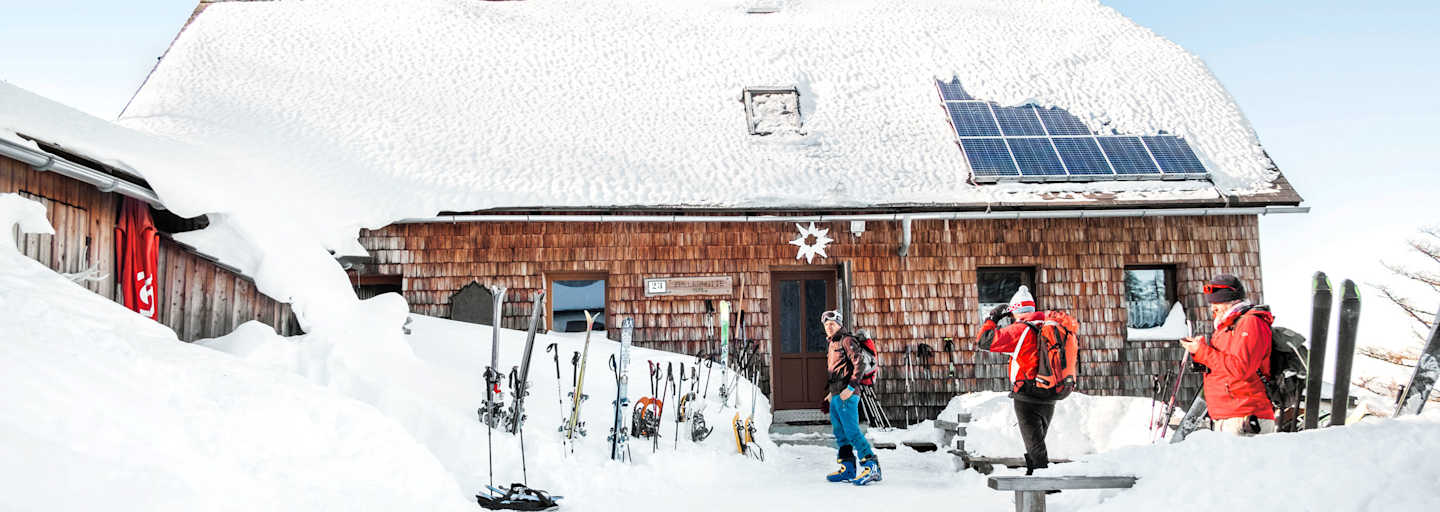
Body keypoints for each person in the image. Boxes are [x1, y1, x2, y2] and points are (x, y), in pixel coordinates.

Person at [976, 286, 1065, 476]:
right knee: (1036, 442)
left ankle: (1043, 486)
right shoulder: (1050, 328)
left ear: (1015, 310)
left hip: (1027, 393)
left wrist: (993, 318)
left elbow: (984, 341)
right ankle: (1033, 480)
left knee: (1035, 445)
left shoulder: (1019, 330)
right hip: (1051, 391)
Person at [1180, 274, 1276, 435]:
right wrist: (1199, 351)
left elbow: (1241, 368)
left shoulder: (1250, 323)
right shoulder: (1226, 328)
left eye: (1217, 302)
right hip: (1230, 418)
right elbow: (1223, 366)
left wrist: (1203, 351)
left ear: (1231, 300)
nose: (1212, 308)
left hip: (1246, 419)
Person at [819, 309, 881, 486]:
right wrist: (831, 392)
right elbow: (837, 371)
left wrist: (851, 387)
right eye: (826, 325)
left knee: (852, 431)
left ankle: (871, 466)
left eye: (832, 324)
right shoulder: (833, 344)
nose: (829, 327)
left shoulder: (847, 340)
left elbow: (859, 364)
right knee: (840, 433)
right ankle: (848, 467)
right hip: (837, 394)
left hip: (848, 394)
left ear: (839, 324)